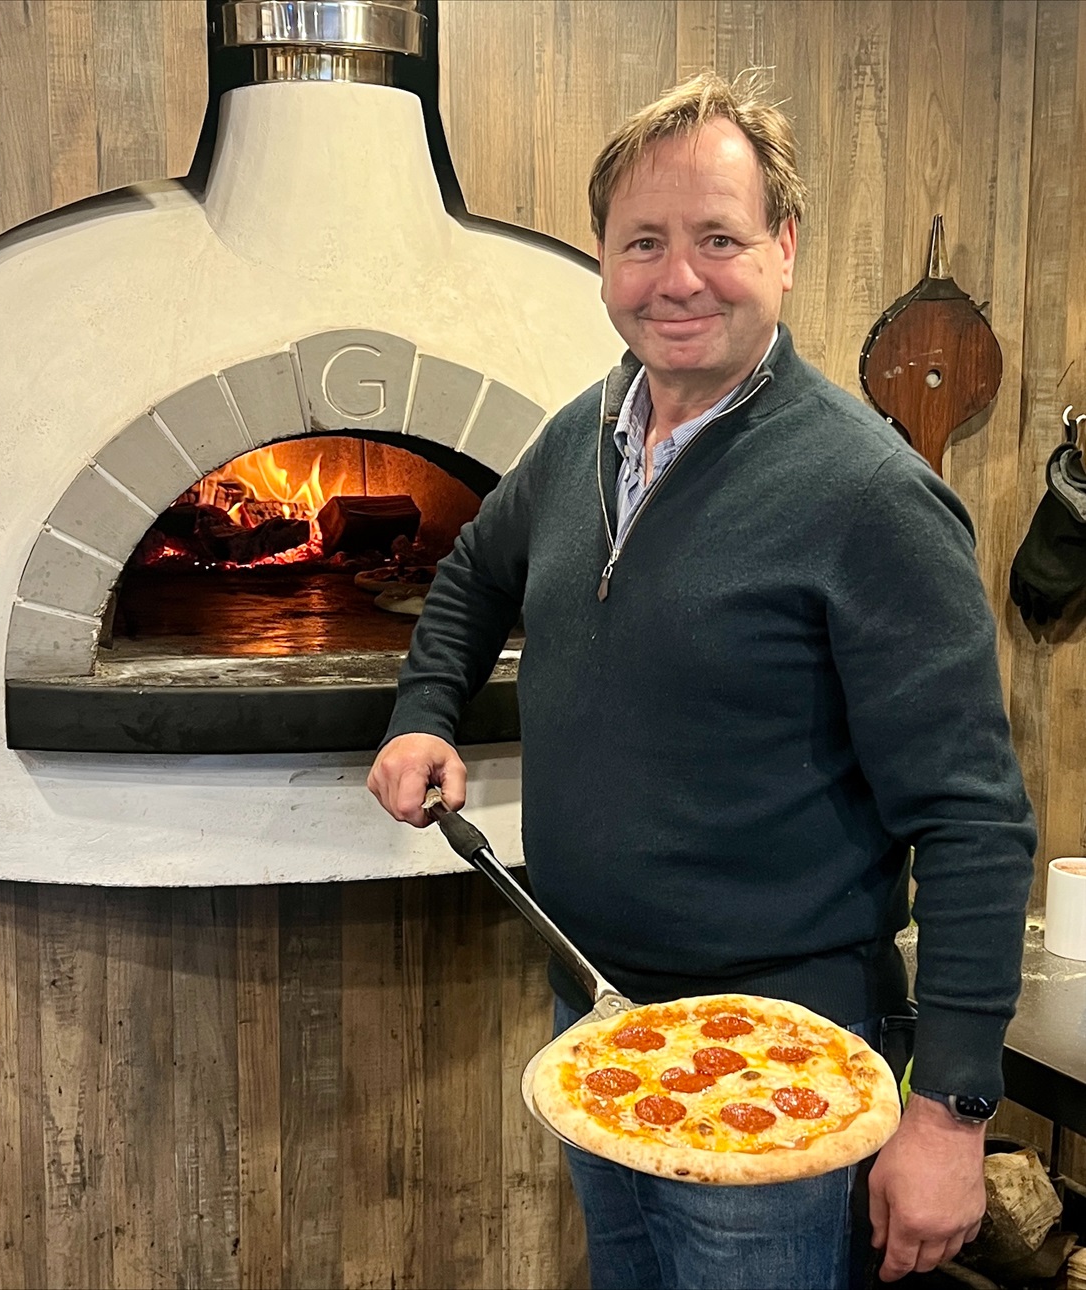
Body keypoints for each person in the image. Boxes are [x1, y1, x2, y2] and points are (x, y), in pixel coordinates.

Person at [368, 70, 1035, 1290]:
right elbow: (470, 573)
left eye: (718, 238)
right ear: (605, 263)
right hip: (600, 1020)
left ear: (782, 249)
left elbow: (973, 821)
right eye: (643, 243)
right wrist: (423, 716)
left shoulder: (869, 496)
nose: (678, 278)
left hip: (783, 1053)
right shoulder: (588, 434)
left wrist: (946, 1113)